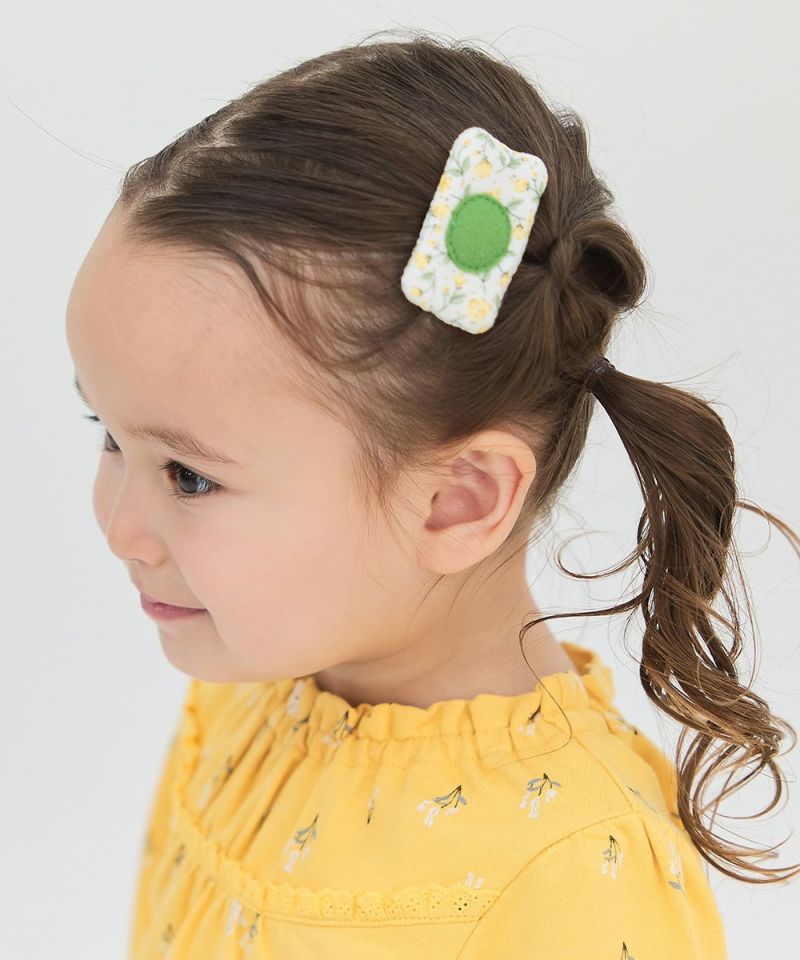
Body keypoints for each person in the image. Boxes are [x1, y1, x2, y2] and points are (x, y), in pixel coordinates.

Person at [64, 32, 799, 960]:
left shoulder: (570, 872)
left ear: (458, 500)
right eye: (108, 434)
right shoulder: (249, 703)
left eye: (189, 475)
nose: (120, 528)